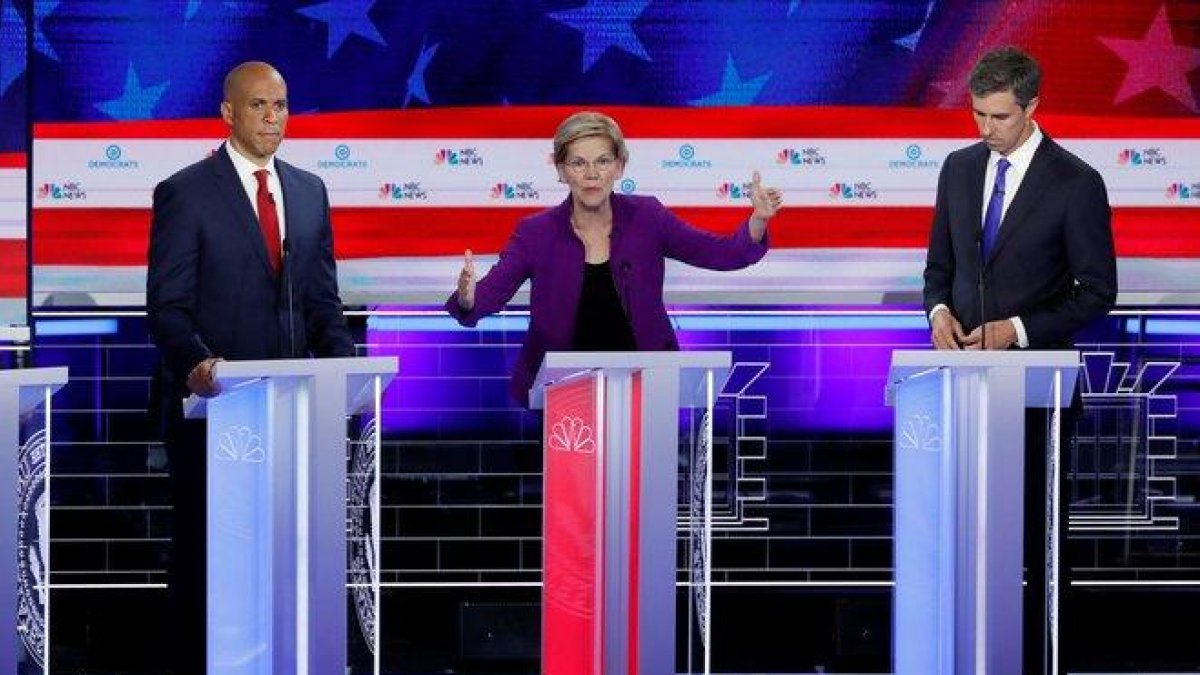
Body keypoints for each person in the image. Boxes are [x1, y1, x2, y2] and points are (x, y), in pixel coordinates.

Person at [146, 61, 355, 674]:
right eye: (259, 105)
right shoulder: (186, 190)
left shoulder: (310, 190)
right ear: (228, 113)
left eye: (282, 105)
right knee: (207, 558)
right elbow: (168, 307)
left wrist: (342, 373)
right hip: (214, 413)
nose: (273, 117)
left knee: (283, 552)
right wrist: (198, 363)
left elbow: (323, 303)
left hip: (291, 417)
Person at [922, 46, 1117, 674]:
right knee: (964, 540)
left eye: (998, 117)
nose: (984, 129)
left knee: (1037, 544)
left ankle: (1041, 660)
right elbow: (938, 270)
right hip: (960, 392)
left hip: (1040, 395)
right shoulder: (956, 170)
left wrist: (1019, 331)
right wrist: (939, 314)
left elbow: (1098, 292)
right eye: (977, 114)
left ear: (1032, 107)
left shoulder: (1075, 182)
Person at [446, 111, 782, 406]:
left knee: (644, 479)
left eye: (603, 161)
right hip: (561, 390)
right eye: (578, 163)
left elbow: (722, 253)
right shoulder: (536, 232)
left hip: (646, 382)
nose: (592, 173)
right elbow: (487, 295)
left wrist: (758, 221)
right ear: (561, 170)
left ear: (619, 166)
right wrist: (468, 296)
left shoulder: (648, 217)